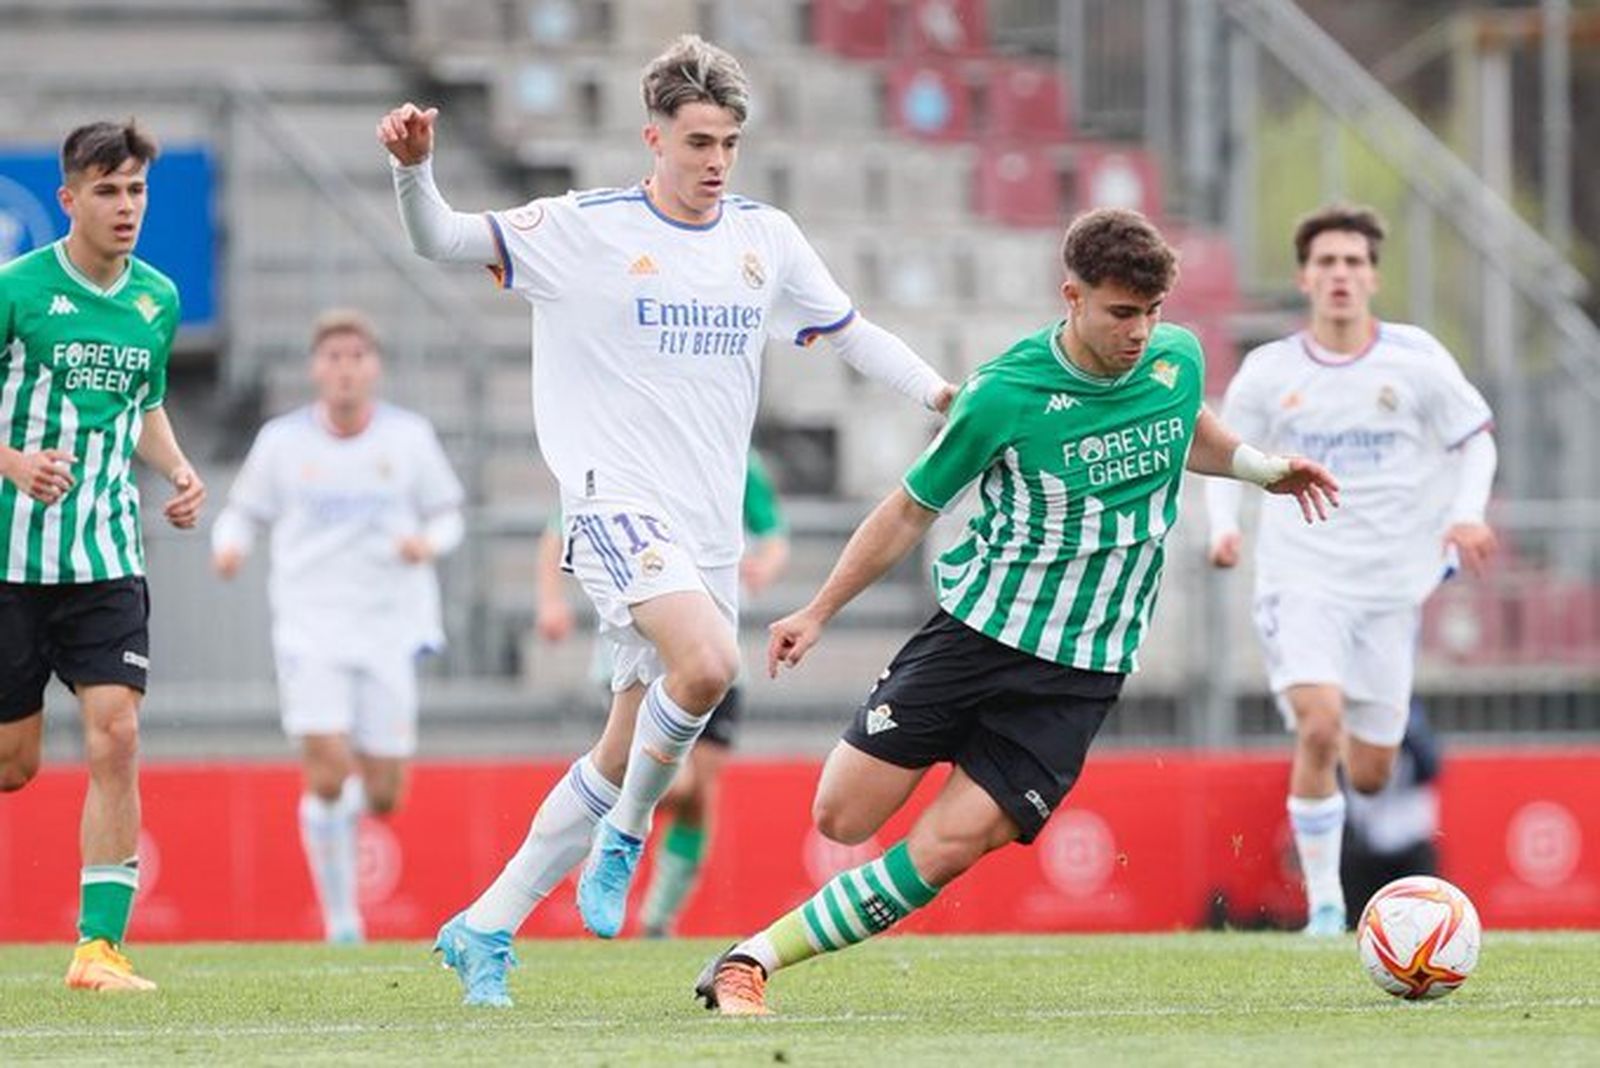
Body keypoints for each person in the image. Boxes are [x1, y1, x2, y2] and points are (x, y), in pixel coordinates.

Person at [378, 34, 953, 1007]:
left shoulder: (764, 238)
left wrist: (942, 395)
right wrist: (413, 170)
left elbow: (852, 336)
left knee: (622, 742)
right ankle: (630, 830)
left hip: (708, 531)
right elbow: (440, 237)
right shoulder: (582, 228)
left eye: (728, 142)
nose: (716, 161)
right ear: (653, 138)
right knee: (708, 667)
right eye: (697, 142)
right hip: (612, 502)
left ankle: (485, 926)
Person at [694, 207, 1340, 1016]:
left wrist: (1258, 468)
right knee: (842, 815)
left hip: (1082, 673)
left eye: (1151, 312)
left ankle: (751, 960)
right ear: (1072, 296)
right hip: (976, 638)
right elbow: (909, 510)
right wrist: (820, 610)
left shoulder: (1175, 359)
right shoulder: (1004, 394)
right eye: (1121, 312)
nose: (1140, 332)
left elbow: (1184, 429)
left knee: (946, 850)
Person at [1204, 204, 1496, 936]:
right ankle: (1327, 906)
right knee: (1319, 725)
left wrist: (1467, 514)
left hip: (1391, 589)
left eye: (1353, 262)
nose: (1340, 274)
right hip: (1301, 580)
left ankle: (1336, 849)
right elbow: (1223, 455)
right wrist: (1224, 528)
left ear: (1373, 277)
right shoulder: (1271, 371)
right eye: (1326, 262)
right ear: (1305, 277)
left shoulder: (1417, 360)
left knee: (1370, 771)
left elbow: (1476, 440)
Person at [0, 120, 206, 991]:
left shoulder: (157, 298)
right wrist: (15, 463)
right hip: (10, 561)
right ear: (69, 199)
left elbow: (144, 403)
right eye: (108, 191)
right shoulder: (16, 289)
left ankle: (99, 949)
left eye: (137, 190)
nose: (126, 207)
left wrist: (178, 467)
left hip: (107, 557)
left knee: (116, 733)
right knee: (14, 765)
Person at [210, 309, 465, 943]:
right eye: (333, 357)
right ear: (315, 368)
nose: (345, 369)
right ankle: (342, 920)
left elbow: (449, 516)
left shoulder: (408, 438)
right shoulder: (282, 442)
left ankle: (338, 824)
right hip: (311, 622)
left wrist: (428, 543)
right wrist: (229, 544)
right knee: (325, 770)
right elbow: (242, 512)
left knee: (384, 794)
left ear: (374, 367)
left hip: (388, 624)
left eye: (356, 357)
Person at [534, 451, 791, 938]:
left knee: (699, 791)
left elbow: (774, 535)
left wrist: (766, 566)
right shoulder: (627, 447)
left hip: (719, 650)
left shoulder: (737, 455)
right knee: (673, 780)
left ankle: (658, 918)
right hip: (639, 650)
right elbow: (558, 530)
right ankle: (611, 817)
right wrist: (550, 601)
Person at [1340, 701, 1442, 930]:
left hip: (1411, 843)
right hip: (1363, 845)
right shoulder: (1349, 737)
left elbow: (1431, 765)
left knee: (1422, 920)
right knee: (1359, 919)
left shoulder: (1412, 741)